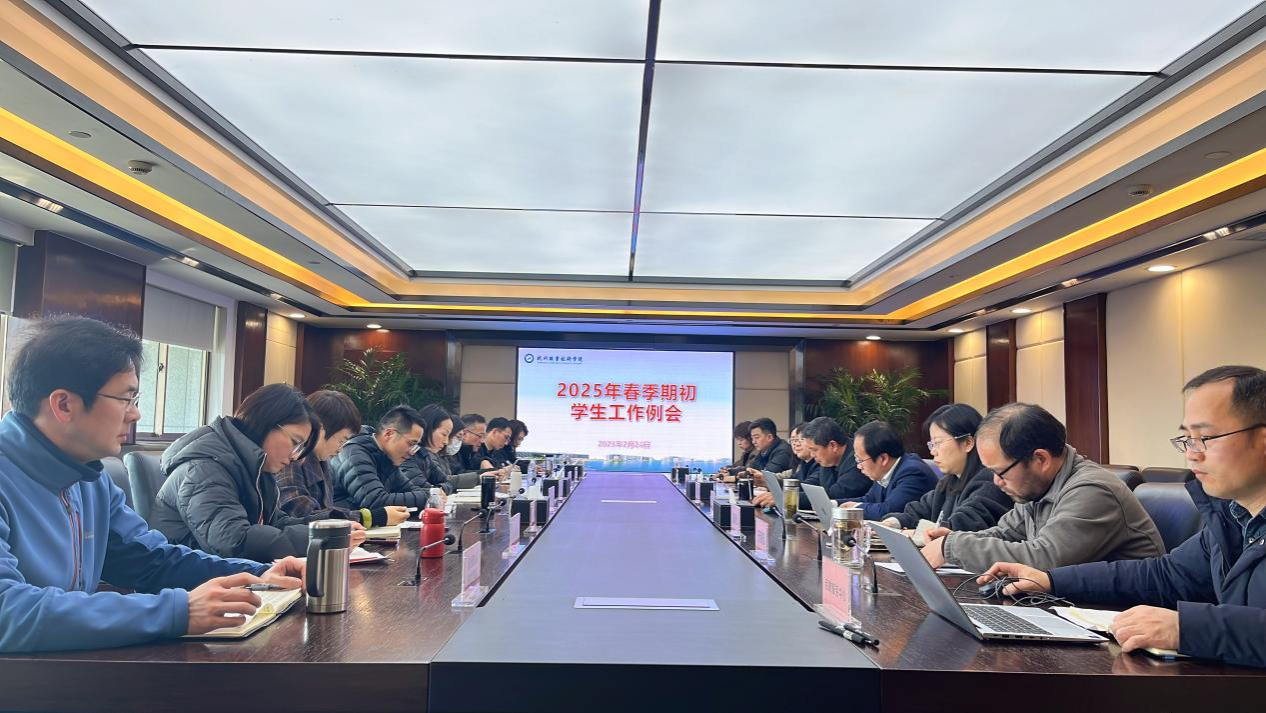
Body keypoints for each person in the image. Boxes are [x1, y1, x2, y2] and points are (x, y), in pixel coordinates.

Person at [0, 317, 302, 653]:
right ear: (64, 404)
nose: (136, 414)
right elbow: (8, 610)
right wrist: (176, 611)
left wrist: (261, 576)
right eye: (126, 399)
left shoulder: (88, 477)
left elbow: (151, 560)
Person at [980, 366, 1266, 667]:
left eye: (1205, 437)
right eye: (1187, 438)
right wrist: (1050, 580)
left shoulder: (1091, 487)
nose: (1191, 454)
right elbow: (1165, 576)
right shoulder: (1233, 516)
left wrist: (1187, 628)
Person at [922, 402, 1163, 573]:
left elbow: (1044, 558)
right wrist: (954, 539)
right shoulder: (1039, 487)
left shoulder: (1093, 490)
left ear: (1041, 459)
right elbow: (1004, 533)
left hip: (1121, 617)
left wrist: (954, 547)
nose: (996, 481)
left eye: (1001, 472)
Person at [153, 384, 333, 561]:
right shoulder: (204, 469)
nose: (295, 456)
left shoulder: (254, 469)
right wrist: (321, 539)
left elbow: (275, 524)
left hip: (222, 572)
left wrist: (333, 525)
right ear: (266, 423)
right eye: (295, 442)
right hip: (187, 577)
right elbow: (234, 542)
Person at [276, 390, 408, 529]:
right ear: (320, 430)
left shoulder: (322, 463)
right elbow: (303, 516)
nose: (340, 449)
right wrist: (372, 517)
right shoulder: (291, 461)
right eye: (341, 440)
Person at [880, 404, 1012, 533]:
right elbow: (919, 511)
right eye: (931, 444)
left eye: (938, 443)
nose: (933, 452)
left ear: (967, 443)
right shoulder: (949, 481)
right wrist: (893, 522)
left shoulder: (990, 480)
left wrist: (917, 532)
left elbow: (962, 526)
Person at [330, 405, 435, 509]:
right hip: (338, 519)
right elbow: (374, 501)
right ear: (389, 434)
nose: (412, 452)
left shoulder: (387, 458)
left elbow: (409, 489)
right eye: (411, 444)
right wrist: (429, 496)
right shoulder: (354, 454)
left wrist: (432, 494)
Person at [838, 421, 938, 520]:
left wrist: (854, 508)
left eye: (860, 460)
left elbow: (887, 511)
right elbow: (870, 499)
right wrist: (835, 504)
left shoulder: (913, 473)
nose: (859, 466)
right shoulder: (885, 470)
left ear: (883, 459)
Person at [800, 417, 872, 500]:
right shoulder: (829, 460)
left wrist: (792, 497)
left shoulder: (858, 462)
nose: (812, 455)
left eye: (814, 450)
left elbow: (832, 496)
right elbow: (812, 483)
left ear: (833, 445)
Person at [413, 405, 479, 492]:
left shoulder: (425, 457)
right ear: (428, 428)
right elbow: (422, 492)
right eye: (444, 434)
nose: (446, 442)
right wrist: (436, 491)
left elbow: (446, 481)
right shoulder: (411, 455)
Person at [753, 423, 818, 508]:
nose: (796, 444)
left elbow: (805, 487)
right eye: (793, 440)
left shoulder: (820, 463)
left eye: (801, 439)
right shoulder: (804, 463)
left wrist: (779, 494)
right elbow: (792, 481)